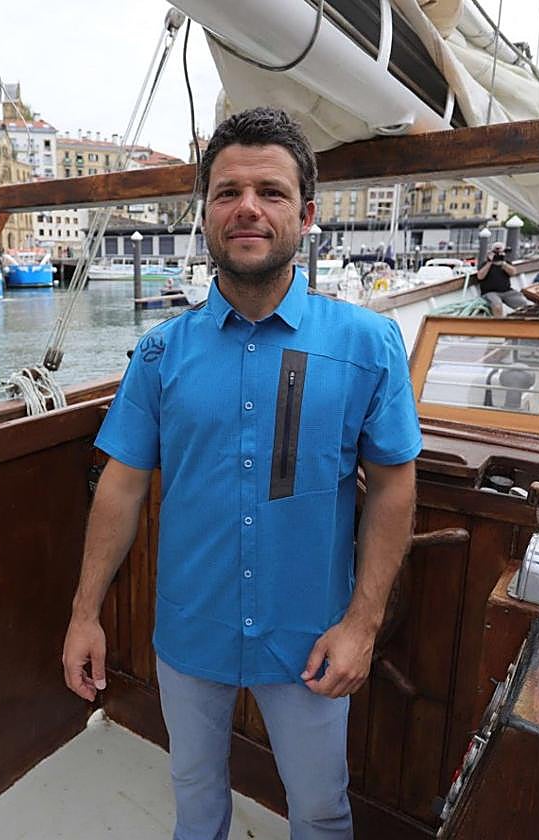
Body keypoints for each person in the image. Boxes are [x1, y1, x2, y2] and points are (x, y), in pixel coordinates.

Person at [61, 107, 420, 840]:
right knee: (195, 795)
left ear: (306, 214)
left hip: (313, 637)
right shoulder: (160, 353)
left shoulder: (370, 342)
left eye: (271, 191)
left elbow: (393, 485)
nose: (248, 207)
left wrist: (363, 624)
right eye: (227, 192)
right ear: (205, 214)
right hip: (192, 631)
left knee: (321, 809)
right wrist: (84, 613)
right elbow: (122, 486)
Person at [476, 241, 524, 315]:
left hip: (507, 291)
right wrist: (490, 262)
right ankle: (498, 323)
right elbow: (480, 276)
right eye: (496, 252)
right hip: (490, 292)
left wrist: (503, 263)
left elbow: (513, 272)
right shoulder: (485, 264)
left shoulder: (506, 263)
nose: (497, 255)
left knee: (524, 304)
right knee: (497, 306)